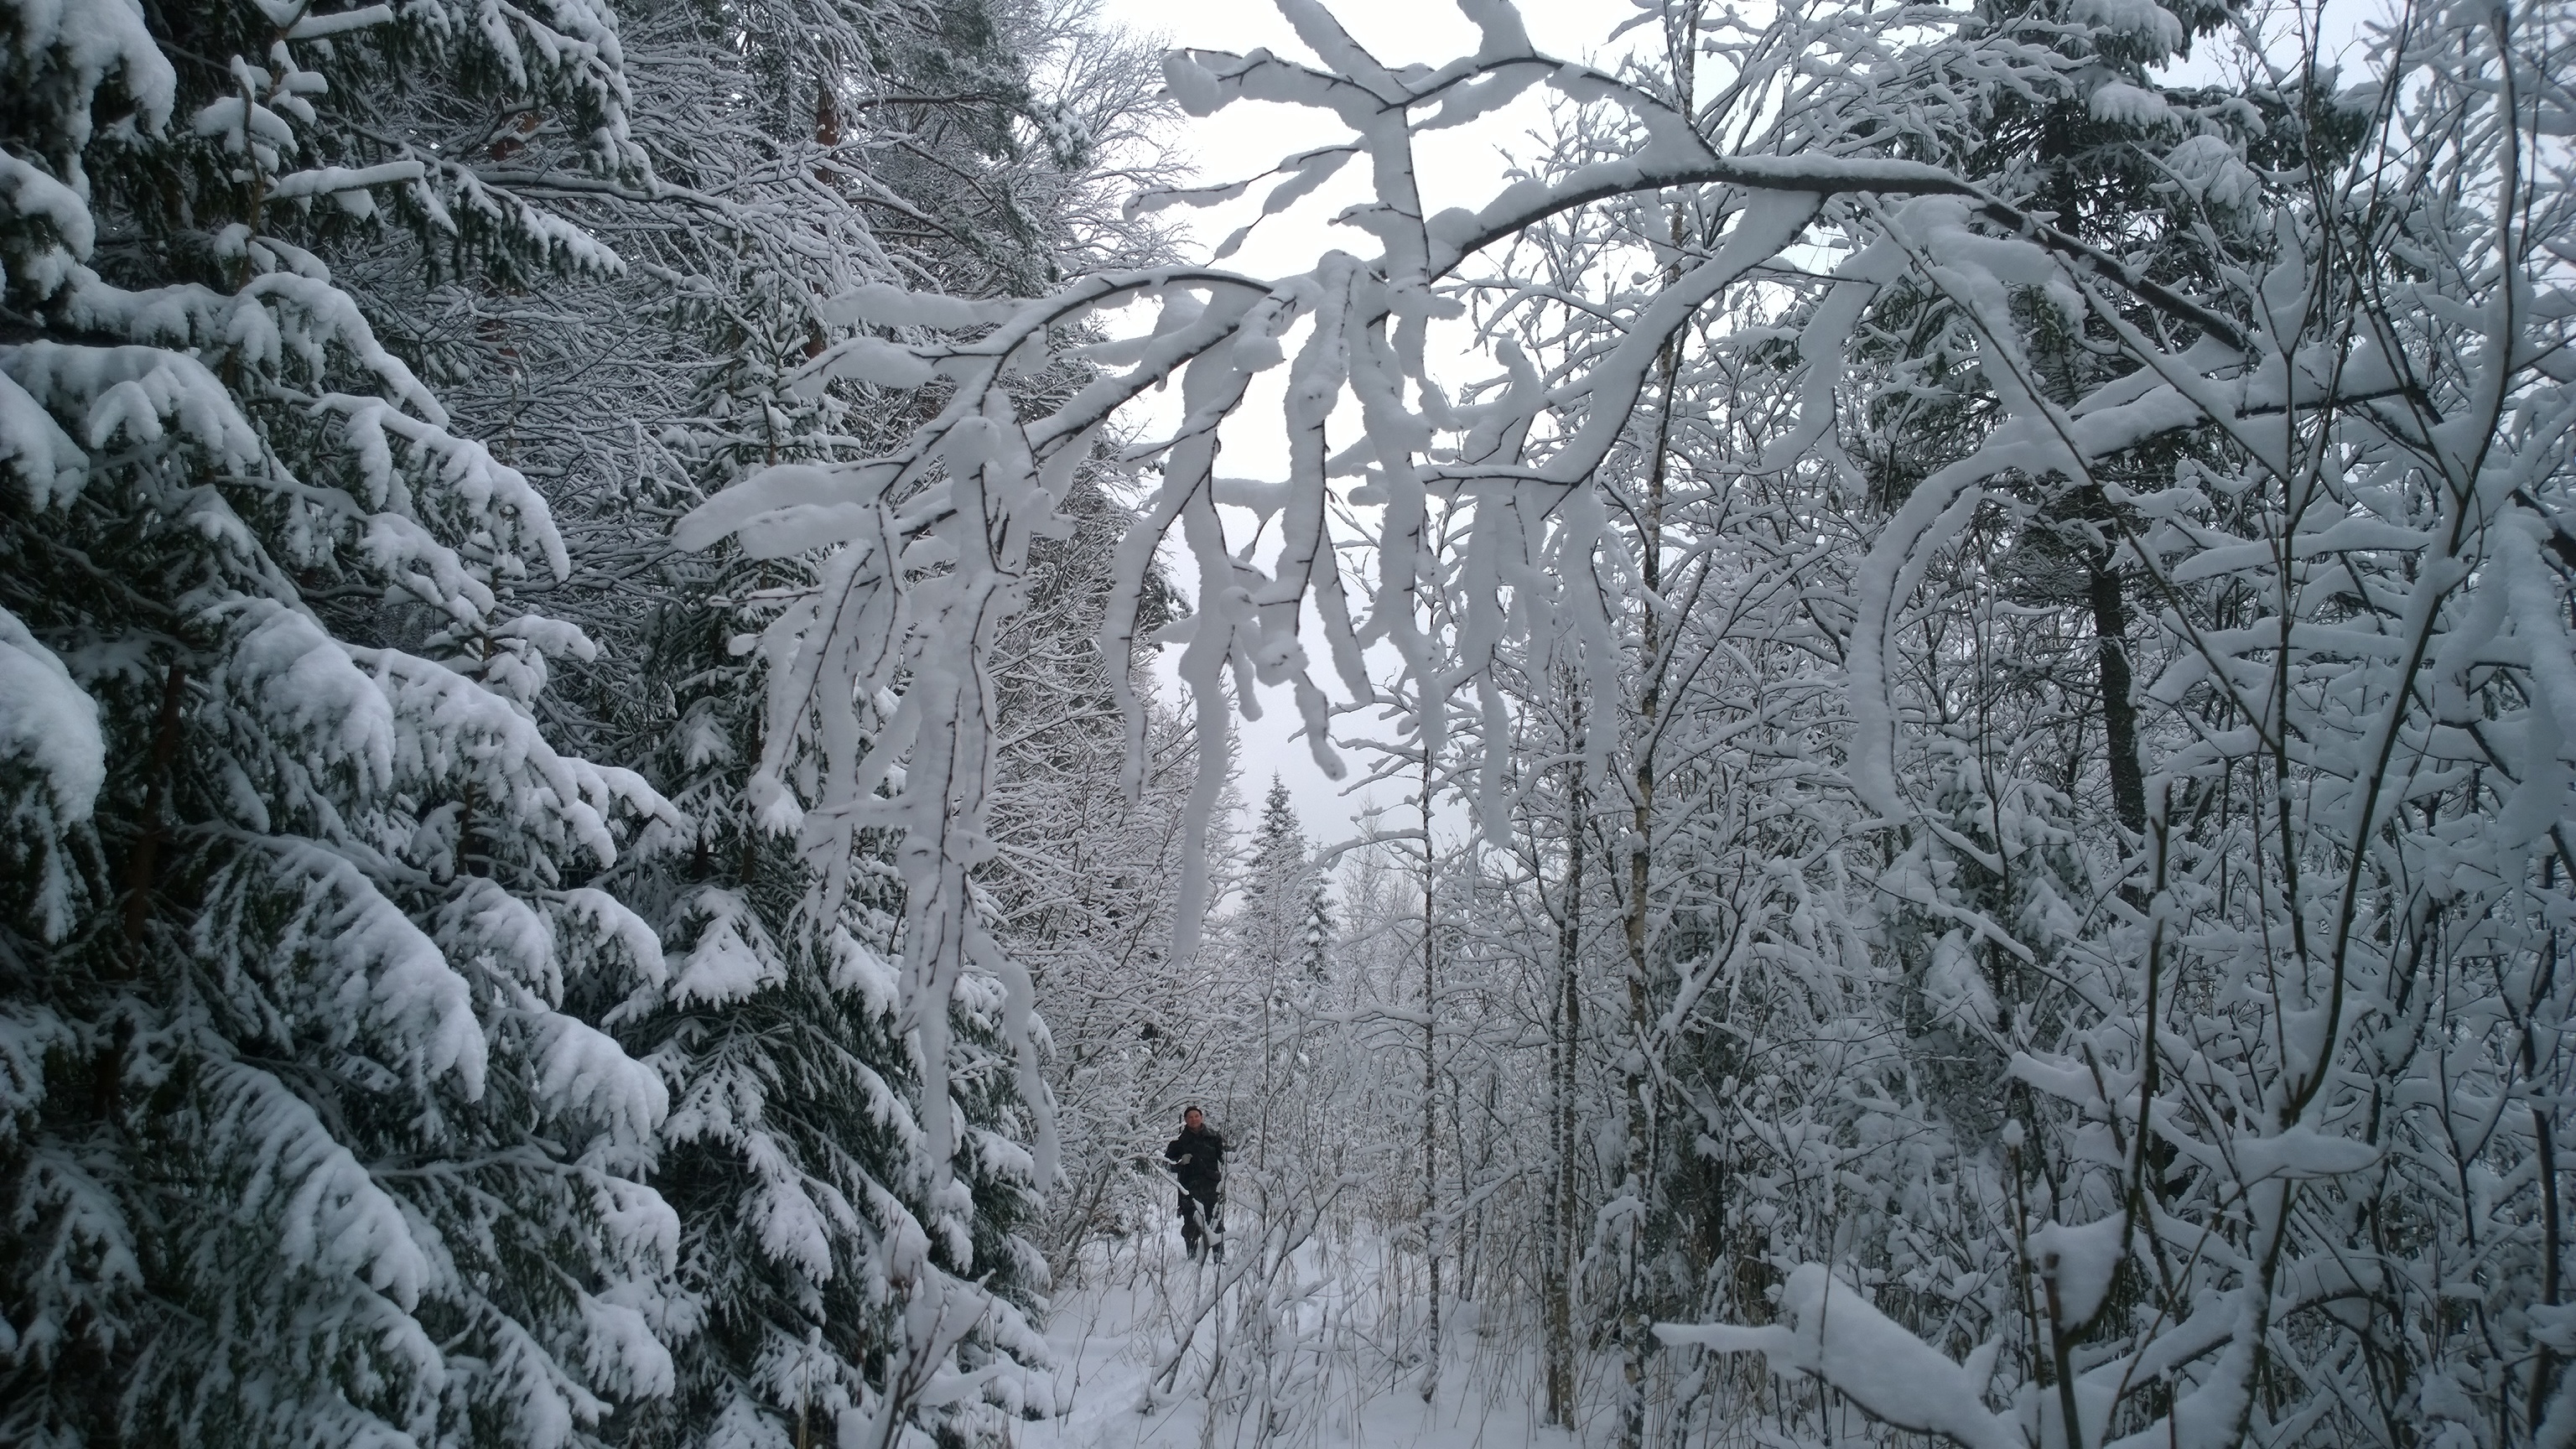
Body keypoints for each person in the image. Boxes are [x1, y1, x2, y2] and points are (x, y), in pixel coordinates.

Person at [1164, 1105, 1224, 1262]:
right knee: (1191, 1223)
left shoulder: (1214, 1137)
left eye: (1196, 1116)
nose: (1194, 1119)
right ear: (1185, 1120)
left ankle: (1219, 1257)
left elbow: (1226, 1159)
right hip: (1188, 1189)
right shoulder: (1179, 1142)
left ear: (1201, 1117)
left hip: (1212, 1188)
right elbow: (1166, 1164)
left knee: (1216, 1221)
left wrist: (1222, 1175)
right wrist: (1180, 1163)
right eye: (1190, 1117)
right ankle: (1192, 1257)